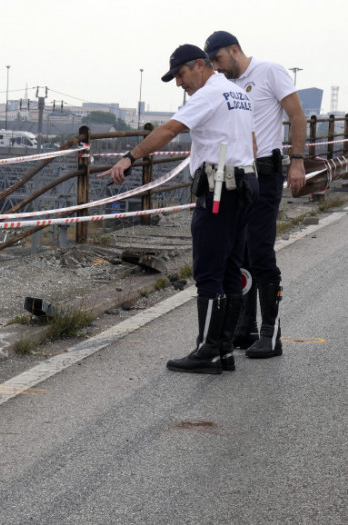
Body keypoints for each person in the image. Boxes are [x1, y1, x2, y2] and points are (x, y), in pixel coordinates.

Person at [101, 44, 257, 374]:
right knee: (230, 269)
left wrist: (130, 158)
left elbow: (170, 129)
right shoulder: (236, 92)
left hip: (219, 189)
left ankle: (207, 351)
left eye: (181, 74)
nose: (179, 84)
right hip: (243, 186)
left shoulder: (208, 94)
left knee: (208, 271)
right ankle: (224, 350)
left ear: (200, 65)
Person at [204, 31, 306, 360]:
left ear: (234, 50)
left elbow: (298, 115)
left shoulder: (269, 71)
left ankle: (270, 333)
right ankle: (244, 327)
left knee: (260, 251)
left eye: (219, 59)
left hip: (267, 171)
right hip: (240, 174)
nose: (217, 68)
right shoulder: (225, 84)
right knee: (241, 252)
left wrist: (298, 162)